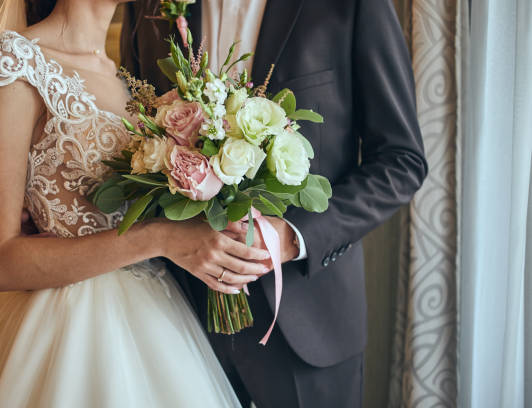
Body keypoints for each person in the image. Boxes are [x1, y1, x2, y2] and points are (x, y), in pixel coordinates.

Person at [0, 0, 270, 406]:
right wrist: (159, 238)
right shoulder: (16, 59)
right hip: (64, 334)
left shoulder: (125, 79)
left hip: (154, 323)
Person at [121, 0, 428, 407]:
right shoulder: (149, 6)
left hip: (308, 322)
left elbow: (401, 161)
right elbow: (129, 138)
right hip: (178, 323)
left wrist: (293, 237)